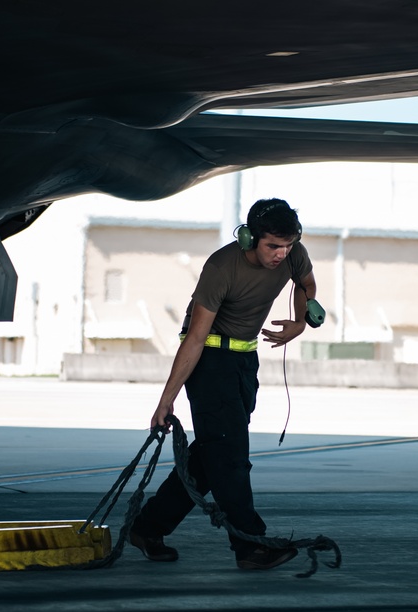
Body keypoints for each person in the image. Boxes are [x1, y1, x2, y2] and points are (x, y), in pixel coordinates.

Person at [129, 197, 317, 570]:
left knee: (210, 456)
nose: (282, 254)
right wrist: (166, 400)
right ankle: (249, 545)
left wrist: (299, 321)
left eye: (288, 246)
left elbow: (306, 284)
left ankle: (148, 526)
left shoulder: (294, 254)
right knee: (230, 458)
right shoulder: (220, 267)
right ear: (249, 238)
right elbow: (194, 339)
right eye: (273, 246)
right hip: (210, 361)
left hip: (245, 362)